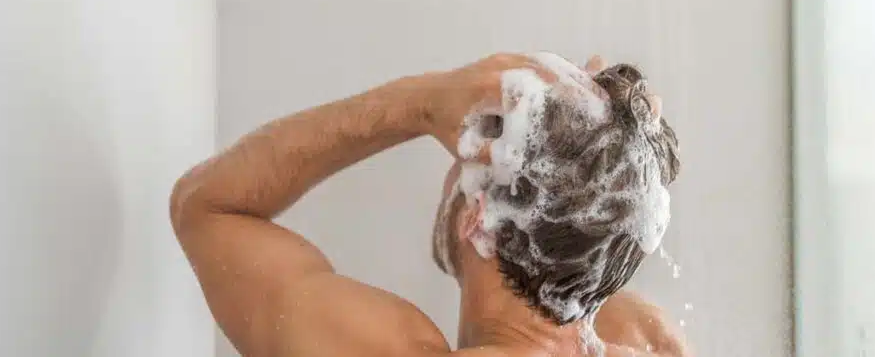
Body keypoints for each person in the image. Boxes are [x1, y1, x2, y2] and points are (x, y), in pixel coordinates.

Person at [170, 53, 688, 357]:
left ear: (478, 221)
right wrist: (603, 145)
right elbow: (583, 240)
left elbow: (207, 206)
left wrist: (421, 102)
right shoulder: (646, 337)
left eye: (461, 161)